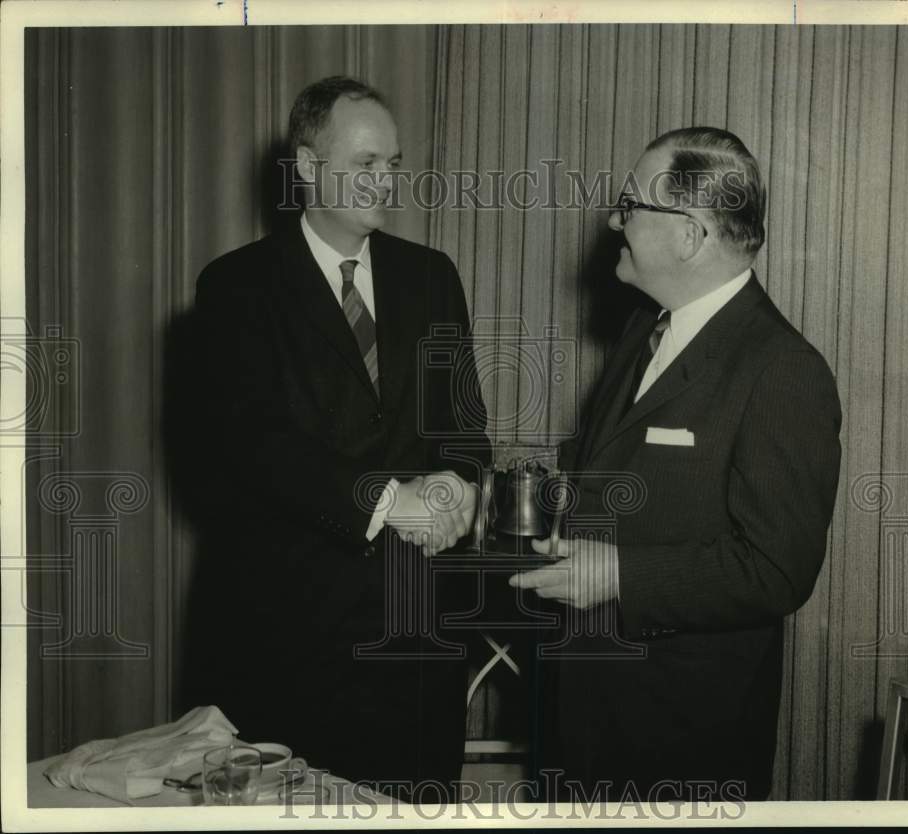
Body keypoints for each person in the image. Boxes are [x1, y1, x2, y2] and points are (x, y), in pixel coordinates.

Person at [510, 127, 842, 802]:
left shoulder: (783, 371)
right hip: (582, 710)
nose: (613, 221)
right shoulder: (647, 328)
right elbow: (595, 462)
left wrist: (621, 574)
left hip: (679, 738)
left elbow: (779, 570)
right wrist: (495, 494)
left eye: (631, 205)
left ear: (689, 235)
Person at [180, 76, 489, 798]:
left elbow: (464, 425)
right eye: (365, 165)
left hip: (417, 631)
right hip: (289, 638)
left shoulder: (431, 276)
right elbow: (253, 445)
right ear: (308, 168)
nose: (386, 181)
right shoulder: (236, 288)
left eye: (393, 163)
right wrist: (389, 500)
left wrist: (455, 486)